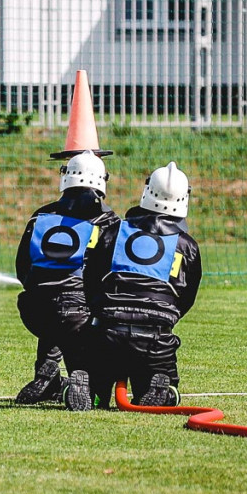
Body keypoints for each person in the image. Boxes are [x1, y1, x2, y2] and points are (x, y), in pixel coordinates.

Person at [75, 161, 202, 411]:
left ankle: (92, 388)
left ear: (147, 191)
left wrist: (100, 312)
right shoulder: (187, 245)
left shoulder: (114, 231)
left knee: (95, 368)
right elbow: (187, 296)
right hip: (156, 338)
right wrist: (166, 318)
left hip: (107, 330)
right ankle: (161, 388)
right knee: (164, 392)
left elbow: (90, 279)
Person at [13, 151, 114, 405]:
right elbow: (110, 273)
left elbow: (22, 266)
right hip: (76, 312)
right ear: (102, 181)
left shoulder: (40, 216)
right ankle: (81, 373)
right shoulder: (108, 221)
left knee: (55, 311)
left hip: (32, 309)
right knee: (76, 319)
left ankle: (46, 370)